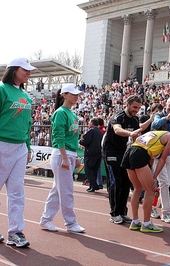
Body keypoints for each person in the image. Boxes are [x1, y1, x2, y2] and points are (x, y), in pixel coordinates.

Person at [39, 84, 85, 234]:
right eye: (73, 94)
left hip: (69, 154)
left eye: (77, 94)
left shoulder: (73, 115)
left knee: (57, 191)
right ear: (64, 95)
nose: (76, 97)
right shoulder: (60, 113)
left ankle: (46, 219)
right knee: (66, 191)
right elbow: (58, 136)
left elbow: (73, 138)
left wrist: (75, 156)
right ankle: (70, 222)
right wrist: (65, 157)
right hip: (61, 155)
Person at [0, 58, 36, 247]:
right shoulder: (1, 90)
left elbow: (27, 124)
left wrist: (28, 146)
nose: (29, 73)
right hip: (1, 144)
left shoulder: (27, 96)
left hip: (20, 148)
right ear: (14, 70)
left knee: (16, 192)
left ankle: (15, 232)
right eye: (25, 70)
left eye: (30, 70)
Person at [121, 131, 170, 233]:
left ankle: (135, 221)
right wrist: (154, 177)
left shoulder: (155, 135)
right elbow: (162, 160)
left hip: (129, 152)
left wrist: (151, 173)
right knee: (150, 190)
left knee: (137, 189)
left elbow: (150, 159)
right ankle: (146, 223)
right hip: (139, 153)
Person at [103, 95, 152, 224]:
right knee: (115, 182)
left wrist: (152, 119)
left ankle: (122, 212)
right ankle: (114, 213)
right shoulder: (117, 117)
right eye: (134, 107)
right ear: (127, 104)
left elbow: (139, 129)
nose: (136, 110)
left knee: (125, 182)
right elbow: (117, 130)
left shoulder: (135, 119)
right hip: (111, 152)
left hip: (123, 152)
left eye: (139, 108)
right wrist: (130, 134)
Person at [150, 97, 170, 223]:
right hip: (158, 154)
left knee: (165, 183)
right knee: (164, 183)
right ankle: (166, 212)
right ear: (165, 105)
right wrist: (166, 118)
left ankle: (152, 206)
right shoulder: (159, 115)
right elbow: (154, 125)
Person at [79, 118, 103, 192]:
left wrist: (80, 141)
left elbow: (85, 141)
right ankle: (93, 185)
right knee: (94, 170)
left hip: (90, 154)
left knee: (89, 170)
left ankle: (93, 185)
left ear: (92, 123)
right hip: (98, 154)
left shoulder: (91, 131)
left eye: (89, 123)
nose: (88, 124)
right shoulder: (99, 132)